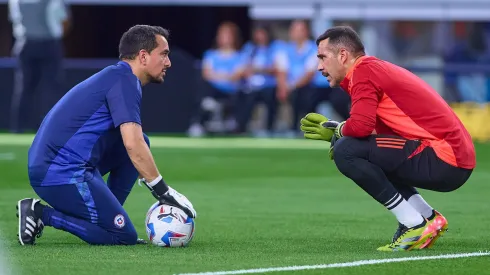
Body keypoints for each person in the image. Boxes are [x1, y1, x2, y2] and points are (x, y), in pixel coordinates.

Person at [16, 25, 197, 246]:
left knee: (143, 143)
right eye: (164, 54)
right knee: (122, 236)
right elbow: (133, 143)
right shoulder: (125, 81)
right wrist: (163, 191)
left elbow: (135, 144)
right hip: (58, 172)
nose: (168, 62)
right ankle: (41, 214)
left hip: (59, 164)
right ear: (143, 56)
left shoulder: (118, 76)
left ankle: (108, 217)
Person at [300, 26, 475, 251]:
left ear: (342, 55)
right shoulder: (372, 70)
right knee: (356, 150)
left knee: (347, 151)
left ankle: (413, 224)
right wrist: (340, 131)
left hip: (445, 157)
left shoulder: (363, 72)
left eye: (322, 57)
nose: (319, 66)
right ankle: (428, 218)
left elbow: (361, 128)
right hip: (454, 158)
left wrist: (340, 132)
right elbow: (380, 137)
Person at [8, 0, 71, 132]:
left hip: (25, 44)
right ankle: (50, 128)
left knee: (25, 87)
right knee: (51, 87)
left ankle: (19, 128)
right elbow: (64, 20)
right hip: (48, 44)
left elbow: (13, 18)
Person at [237, 25, 280, 137]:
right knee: (244, 96)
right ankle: (241, 128)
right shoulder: (250, 48)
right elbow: (243, 67)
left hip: (269, 85)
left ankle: (269, 128)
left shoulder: (274, 48)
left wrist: (260, 69)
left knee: (271, 96)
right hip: (252, 85)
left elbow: (276, 68)